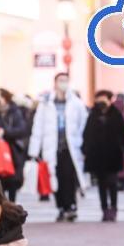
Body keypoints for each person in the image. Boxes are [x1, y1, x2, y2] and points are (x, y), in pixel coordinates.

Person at [28, 72, 88, 222]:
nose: (63, 83)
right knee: (54, 177)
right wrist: (34, 150)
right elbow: (38, 127)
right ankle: (61, 207)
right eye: (60, 80)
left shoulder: (76, 103)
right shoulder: (46, 103)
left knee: (69, 177)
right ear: (55, 83)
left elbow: (83, 123)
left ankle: (71, 206)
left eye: (66, 80)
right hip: (51, 147)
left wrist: (81, 142)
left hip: (70, 147)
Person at [82, 91, 124, 222]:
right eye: (98, 99)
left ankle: (113, 208)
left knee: (112, 182)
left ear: (109, 100)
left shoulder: (115, 114)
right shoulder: (93, 115)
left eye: (103, 99)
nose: (100, 102)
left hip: (113, 155)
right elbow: (87, 135)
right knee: (101, 184)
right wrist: (85, 151)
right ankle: (104, 209)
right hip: (97, 156)